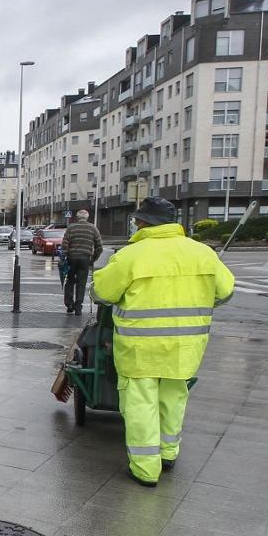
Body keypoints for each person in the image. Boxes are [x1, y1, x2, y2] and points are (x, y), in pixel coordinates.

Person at [91, 197, 235, 487]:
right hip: (186, 346)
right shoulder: (203, 253)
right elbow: (225, 291)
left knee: (141, 405)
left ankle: (146, 469)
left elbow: (102, 293)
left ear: (143, 222)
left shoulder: (132, 255)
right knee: (174, 398)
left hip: (140, 348)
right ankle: (168, 453)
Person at [62, 209, 102, 315]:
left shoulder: (71, 227)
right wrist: (93, 259)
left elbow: (65, 243)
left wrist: (66, 255)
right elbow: (99, 247)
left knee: (70, 282)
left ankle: (69, 304)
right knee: (81, 283)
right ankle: (78, 307)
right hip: (85, 259)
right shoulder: (93, 228)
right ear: (87, 217)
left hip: (72, 258)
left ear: (77, 217)